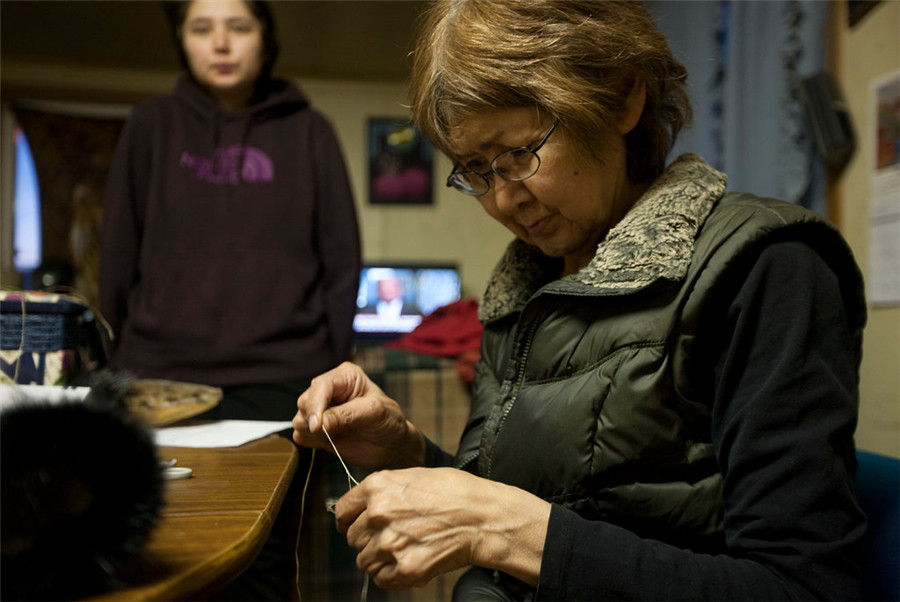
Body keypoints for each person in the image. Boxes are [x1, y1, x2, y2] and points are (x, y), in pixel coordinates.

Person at [293, 1, 868, 600]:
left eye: (519, 154)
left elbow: (803, 589)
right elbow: (537, 504)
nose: (503, 201)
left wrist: (498, 529)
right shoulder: (526, 284)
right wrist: (405, 450)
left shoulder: (765, 268)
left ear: (621, 98)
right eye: (475, 169)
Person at [100, 0, 360, 598]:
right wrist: (117, 364)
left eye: (238, 27)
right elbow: (116, 255)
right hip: (157, 379)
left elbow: (342, 261)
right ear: (182, 40)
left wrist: (326, 362)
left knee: (262, 562)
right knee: (153, 551)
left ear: (265, 38)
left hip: (278, 381)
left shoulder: (310, 130)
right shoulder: (150, 125)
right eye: (202, 28)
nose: (220, 44)